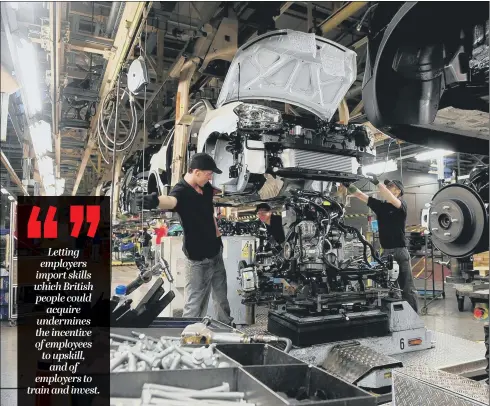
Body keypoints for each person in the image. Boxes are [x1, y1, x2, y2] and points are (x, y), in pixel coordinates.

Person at [136, 153, 233, 325]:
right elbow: (171, 201)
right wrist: (155, 201)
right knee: (195, 304)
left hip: (216, 252)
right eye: (208, 174)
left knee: (221, 299)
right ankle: (189, 336)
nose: (211, 177)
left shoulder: (206, 188)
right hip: (197, 258)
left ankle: (226, 331)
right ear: (196, 172)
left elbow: (209, 211)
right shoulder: (181, 191)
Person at [344, 175, 419, 313]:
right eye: (388, 186)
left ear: (398, 191)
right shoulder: (381, 206)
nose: (388, 188)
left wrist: (377, 183)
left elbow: (388, 196)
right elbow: (361, 195)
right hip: (386, 253)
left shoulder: (400, 205)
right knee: (389, 289)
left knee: (407, 288)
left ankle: (414, 316)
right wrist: (348, 185)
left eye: (391, 186)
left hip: (399, 252)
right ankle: (395, 317)